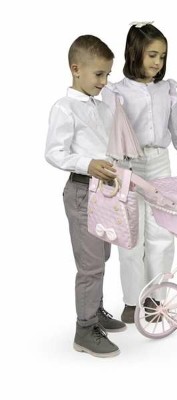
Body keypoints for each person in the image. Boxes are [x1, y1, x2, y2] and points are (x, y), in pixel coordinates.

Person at [102, 22, 177, 323]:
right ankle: (132, 300)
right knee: (130, 235)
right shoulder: (115, 92)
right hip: (127, 165)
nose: (157, 62)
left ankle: (156, 299)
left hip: (159, 164)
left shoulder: (167, 90)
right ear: (134, 52)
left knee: (161, 233)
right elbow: (109, 133)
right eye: (152, 55)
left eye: (162, 56)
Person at [45, 35, 126, 358]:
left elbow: (108, 145)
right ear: (76, 69)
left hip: (105, 191)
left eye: (108, 74)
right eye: (99, 74)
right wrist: (88, 164)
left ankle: (96, 310)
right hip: (82, 191)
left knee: (102, 256)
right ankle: (84, 328)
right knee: (90, 264)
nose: (104, 82)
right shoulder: (64, 108)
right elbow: (54, 152)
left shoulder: (103, 106)